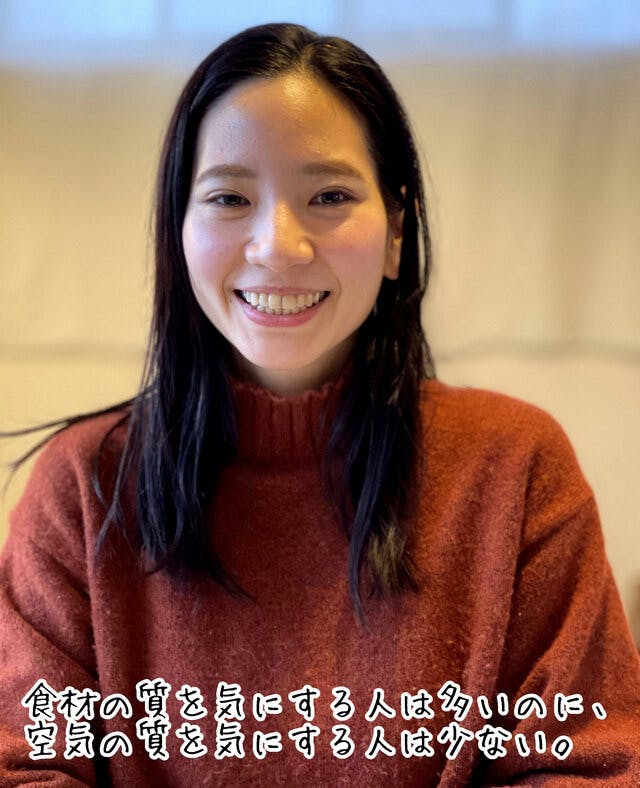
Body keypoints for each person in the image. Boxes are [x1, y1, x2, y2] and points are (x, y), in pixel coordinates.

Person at [1, 22, 639, 787]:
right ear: (179, 230)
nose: (278, 245)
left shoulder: (516, 465)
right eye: (229, 197)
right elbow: (23, 765)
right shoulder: (83, 487)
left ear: (397, 231)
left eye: (329, 196)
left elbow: (592, 762)